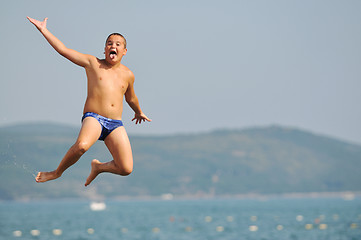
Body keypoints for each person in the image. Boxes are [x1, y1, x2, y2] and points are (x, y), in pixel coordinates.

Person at [27, 16, 151, 186]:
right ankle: (56, 172)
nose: (113, 46)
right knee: (81, 146)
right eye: (109, 43)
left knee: (126, 168)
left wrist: (138, 111)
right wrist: (44, 30)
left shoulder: (128, 75)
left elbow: (131, 97)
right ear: (105, 49)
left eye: (117, 44)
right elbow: (63, 50)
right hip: (94, 118)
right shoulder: (93, 63)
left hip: (115, 124)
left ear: (124, 51)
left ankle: (99, 167)